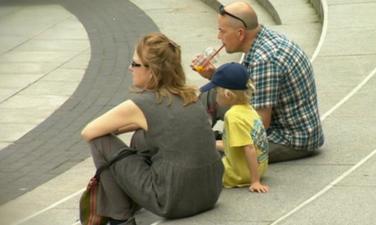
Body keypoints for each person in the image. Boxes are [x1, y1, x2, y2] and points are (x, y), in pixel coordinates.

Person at [81, 33, 223, 225]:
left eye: (135, 64)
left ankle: (120, 217)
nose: (129, 68)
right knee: (141, 135)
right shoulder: (192, 94)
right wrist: (135, 124)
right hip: (210, 193)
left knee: (100, 141)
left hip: (172, 201)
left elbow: (88, 132)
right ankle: (133, 198)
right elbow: (161, 121)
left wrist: (121, 127)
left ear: (152, 70)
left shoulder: (141, 103)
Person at [193, 2, 324, 163]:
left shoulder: (264, 60)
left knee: (215, 157)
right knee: (212, 92)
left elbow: (260, 123)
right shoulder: (262, 38)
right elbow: (246, 87)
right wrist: (214, 76)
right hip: (277, 122)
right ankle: (194, 139)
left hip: (289, 139)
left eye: (222, 31)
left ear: (240, 33)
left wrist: (222, 144)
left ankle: (199, 143)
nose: (219, 37)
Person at [200, 62, 269, 193]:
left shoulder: (232, 116)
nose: (214, 96)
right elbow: (234, 145)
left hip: (239, 175)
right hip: (260, 168)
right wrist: (211, 144)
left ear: (228, 95)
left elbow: (249, 148)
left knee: (200, 168)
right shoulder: (249, 109)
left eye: (216, 91)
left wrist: (255, 181)